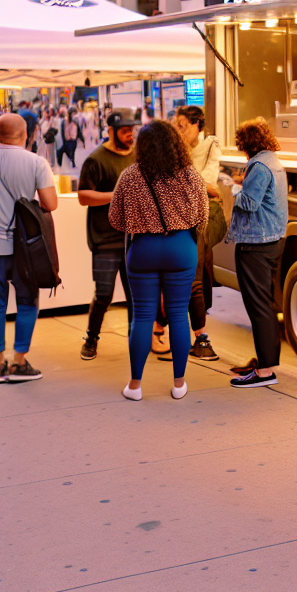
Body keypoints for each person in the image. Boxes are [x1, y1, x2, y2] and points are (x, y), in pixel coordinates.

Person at [108, 120, 208, 401]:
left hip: (143, 251)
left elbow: (115, 219)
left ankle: (135, 386)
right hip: (181, 248)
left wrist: (140, 221)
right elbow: (202, 215)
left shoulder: (130, 176)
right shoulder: (190, 175)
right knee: (178, 315)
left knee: (142, 317)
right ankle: (179, 385)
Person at [0, 113, 57, 383]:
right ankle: (19, 363)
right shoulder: (36, 162)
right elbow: (50, 203)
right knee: (28, 302)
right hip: (24, 248)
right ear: (27, 133)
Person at [227, 117, 288, 389]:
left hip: (256, 243)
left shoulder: (260, 165)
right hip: (273, 239)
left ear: (246, 143)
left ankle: (265, 372)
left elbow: (249, 202)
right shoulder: (273, 161)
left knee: (259, 307)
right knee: (265, 305)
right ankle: (265, 361)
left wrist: (230, 187)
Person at [76, 108, 139, 361]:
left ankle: (137, 340)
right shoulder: (96, 159)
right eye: (125, 130)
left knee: (136, 295)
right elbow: (83, 197)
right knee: (104, 294)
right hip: (105, 239)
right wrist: (117, 196)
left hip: (134, 238)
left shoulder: (137, 156)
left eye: (132, 129)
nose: (130, 134)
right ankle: (91, 338)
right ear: (111, 131)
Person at [173, 105, 223, 361]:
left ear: (198, 125)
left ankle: (201, 337)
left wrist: (197, 185)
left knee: (195, 278)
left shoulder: (211, 145)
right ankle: (166, 332)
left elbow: (208, 182)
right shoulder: (176, 148)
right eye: (176, 126)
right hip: (178, 219)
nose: (179, 131)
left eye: (183, 126)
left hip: (200, 220)